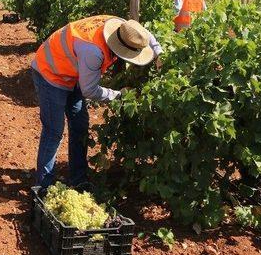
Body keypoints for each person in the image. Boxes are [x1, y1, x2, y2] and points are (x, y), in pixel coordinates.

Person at [31, 15, 163, 189]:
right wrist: (119, 95)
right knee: (54, 131)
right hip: (50, 72)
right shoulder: (93, 52)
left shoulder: (123, 28)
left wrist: (159, 52)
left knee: (80, 125)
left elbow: (145, 34)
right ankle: (44, 185)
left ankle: (79, 178)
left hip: (74, 72)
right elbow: (90, 90)